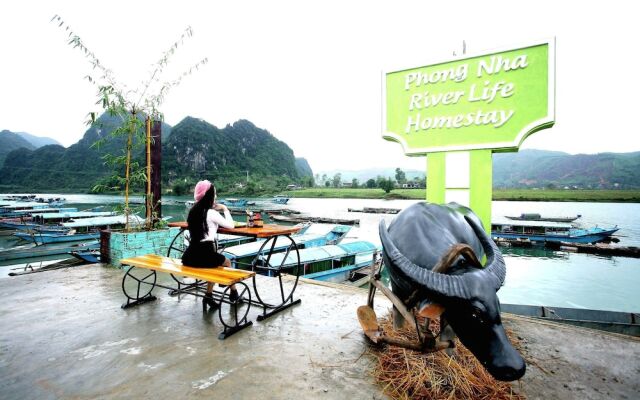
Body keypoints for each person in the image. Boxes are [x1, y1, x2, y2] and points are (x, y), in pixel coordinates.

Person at [182, 180, 238, 310]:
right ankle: (233, 293)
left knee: (214, 265)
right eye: (214, 194)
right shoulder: (211, 213)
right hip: (204, 253)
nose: (216, 196)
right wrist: (225, 208)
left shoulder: (193, 211)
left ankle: (209, 295)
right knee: (227, 262)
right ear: (209, 195)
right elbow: (231, 225)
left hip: (190, 255)